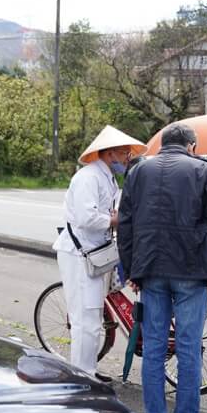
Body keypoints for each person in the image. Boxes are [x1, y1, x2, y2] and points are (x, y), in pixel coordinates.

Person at [118, 123, 207, 413]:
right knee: (188, 347)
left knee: (153, 347)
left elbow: (125, 224)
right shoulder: (201, 170)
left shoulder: (138, 171)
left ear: (162, 144)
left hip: (151, 268)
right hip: (191, 268)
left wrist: (131, 267)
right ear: (191, 146)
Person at [53, 125, 145, 381]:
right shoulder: (88, 177)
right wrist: (115, 221)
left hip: (94, 254)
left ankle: (88, 371)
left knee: (92, 318)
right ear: (110, 152)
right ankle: (83, 377)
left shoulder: (105, 177)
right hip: (80, 254)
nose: (127, 157)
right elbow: (86, 217)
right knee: (85, 319)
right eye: (124, 152)